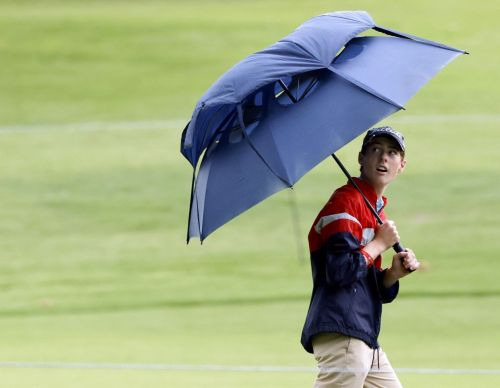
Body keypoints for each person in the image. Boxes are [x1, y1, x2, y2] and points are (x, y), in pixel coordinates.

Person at [301, 126, 420, 387]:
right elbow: (340, 271)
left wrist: (391, 275)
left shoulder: (375, 212)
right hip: (342, 332)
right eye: (375, 150)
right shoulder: (345, 203)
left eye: (392, 152)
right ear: (361, 158)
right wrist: (379, 243)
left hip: (362, 335)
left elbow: (368, 285)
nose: (383, 158)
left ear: (402, 165)